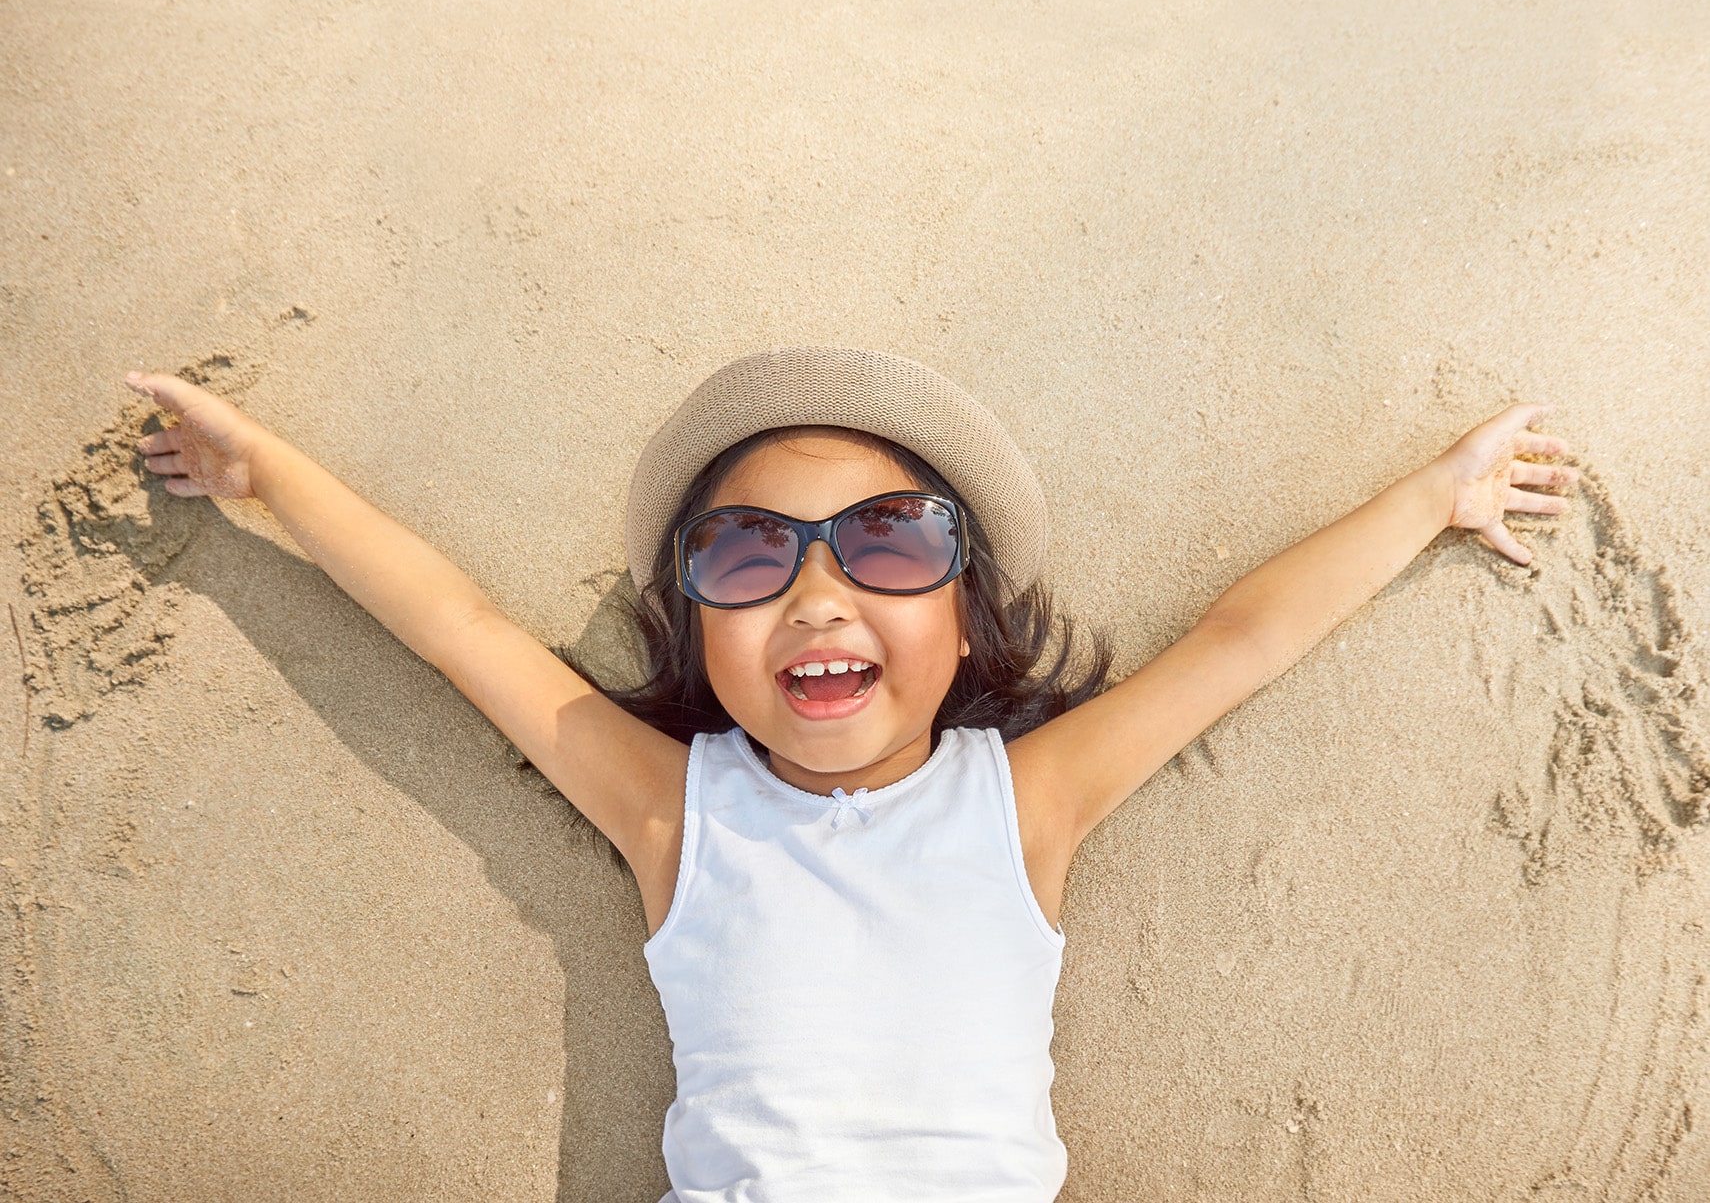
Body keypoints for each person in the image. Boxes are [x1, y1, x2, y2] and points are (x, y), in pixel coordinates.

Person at [122, 346, 1580, 1202]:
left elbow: (1236, 643)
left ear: (963, 617)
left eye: (883, 543)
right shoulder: (672, 810)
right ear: (698, 626)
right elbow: (464, 634)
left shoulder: (1023, 802)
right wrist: (271, 481)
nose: (817, 598)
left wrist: (1430, 499)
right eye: (751, 555)